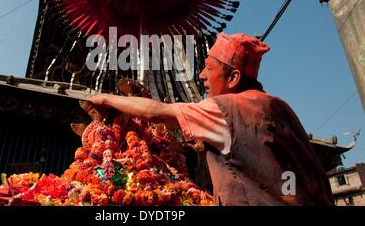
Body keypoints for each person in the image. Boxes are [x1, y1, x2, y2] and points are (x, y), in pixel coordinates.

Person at [88, 32, 333, 205]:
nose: (202, 75)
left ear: (233, 77)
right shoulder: (281, 107)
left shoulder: (226, 108)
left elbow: (154, 111)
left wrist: (106, 99)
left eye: (208, 68)